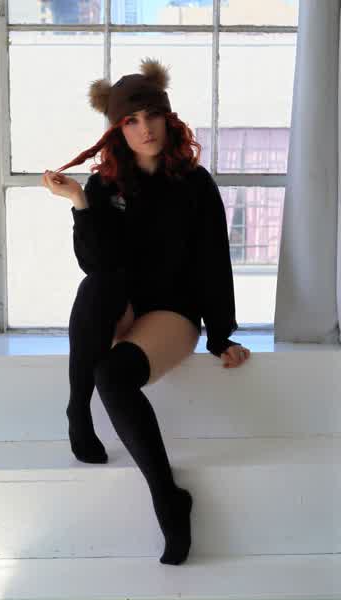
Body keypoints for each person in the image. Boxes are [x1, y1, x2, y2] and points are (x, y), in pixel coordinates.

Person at [42, 56, 251, 566]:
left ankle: (168, 498)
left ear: (168, 117)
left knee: (113, 376)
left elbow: (213, 262)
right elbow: (95, 264)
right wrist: (80, 202)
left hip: (171, 313)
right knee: (97, 285)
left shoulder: (195, 184)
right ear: (118, 129)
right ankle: (77, 411)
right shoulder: (104, 185)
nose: (145, 128)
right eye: (131, 120)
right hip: (119, 305)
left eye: (152, 115)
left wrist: (220, 335)